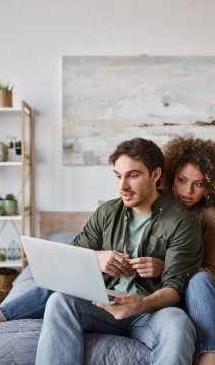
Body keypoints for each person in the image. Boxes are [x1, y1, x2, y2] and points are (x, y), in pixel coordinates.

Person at [34, 137, 203, 365]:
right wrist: (97, 257)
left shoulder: (182, 222)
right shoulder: (106, 212)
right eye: (118, 175)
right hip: (103, 304)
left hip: (151, 311)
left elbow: (174, 289)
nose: (122, 186)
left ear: (155, 175)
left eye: (133, 176)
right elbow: (72, 257)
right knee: (58, 300)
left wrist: (139, 304)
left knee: (178, 322)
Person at [161, 136, 215, 365]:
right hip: (153, 287)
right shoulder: (155, 200)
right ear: (170, 176)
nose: (188, 191)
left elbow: (213, 270)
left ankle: (210, 357)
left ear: (210, 184)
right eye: (182, 180)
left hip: (190, 289)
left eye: (199, 184)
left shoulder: (213, 209)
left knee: (201, 278)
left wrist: (167, 269)